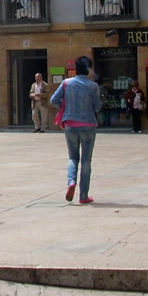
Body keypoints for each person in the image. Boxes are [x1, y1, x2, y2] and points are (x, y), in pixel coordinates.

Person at [50, 56, 102, 204]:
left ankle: (71, 181)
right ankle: (83, 195)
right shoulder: (93, 86)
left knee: (73, 157)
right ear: (88, 69)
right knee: (86, 160)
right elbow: (98, 107)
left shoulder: (66, 83)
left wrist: (65, 106)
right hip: (88, 125)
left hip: (70, 124)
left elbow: (53, 99)